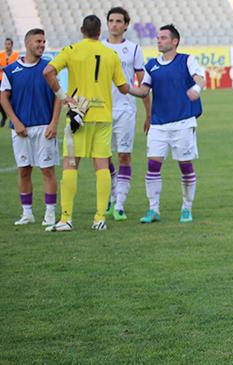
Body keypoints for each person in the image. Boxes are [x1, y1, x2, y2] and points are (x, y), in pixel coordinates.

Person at [43, 15, 129, 232]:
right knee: (101, 167)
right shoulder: (111, 54)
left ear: (82, 30)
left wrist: (64, 96)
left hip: (78, 116)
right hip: (103, 117)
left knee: (70, 166)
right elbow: (122, 86)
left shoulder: (71, 50)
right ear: (100, 32)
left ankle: (66, 218)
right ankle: (99, 218)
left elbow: (48, 72)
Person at [129, 24, 204, 224]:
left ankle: (186, 208)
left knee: (185, 165)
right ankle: (153, 209)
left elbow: (200, 78)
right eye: (158, 38)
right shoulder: (151, 65)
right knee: (153, 165)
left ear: (174, 41)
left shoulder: (187, 60)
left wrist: (196, 89)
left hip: (183, 123)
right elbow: (144, 91)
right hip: (158, 124)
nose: (158, 41)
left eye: (163, 37)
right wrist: (125, 88)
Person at [0, 29, 62, 226]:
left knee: (47, 170)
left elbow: (58, 97)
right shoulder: (11, 71)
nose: (42, 45)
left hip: (45, 127)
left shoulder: (48, 69)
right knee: (24, 170)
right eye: (38, 41)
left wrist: (54, 123)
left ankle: (50, 213)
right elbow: (3, 97)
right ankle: (27, 213)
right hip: (21, 130)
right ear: (27, 44)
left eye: (44, 42)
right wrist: (15, 121)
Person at [102, 6, 151, 221]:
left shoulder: (133, 49)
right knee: (103, 157)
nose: (114, 24)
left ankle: (120, 202)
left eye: (118, 21)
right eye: (111, 20)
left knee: (124, 156)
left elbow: (144, 83)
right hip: (101, 109)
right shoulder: (99, 47)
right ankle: (112, 195)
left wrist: (149, 114)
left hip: (125, 109)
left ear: (125, 25)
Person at [0, 37, 20, 127]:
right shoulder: (1, 55)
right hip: (1, 80)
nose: (7, 46)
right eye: (6, 44)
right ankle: (4, 116)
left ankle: (12, 118)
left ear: (12, 45)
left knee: (13, 100)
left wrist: (4, 68)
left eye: (9, 44)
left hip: (12, 79)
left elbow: (16, 66)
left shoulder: (16, 55)